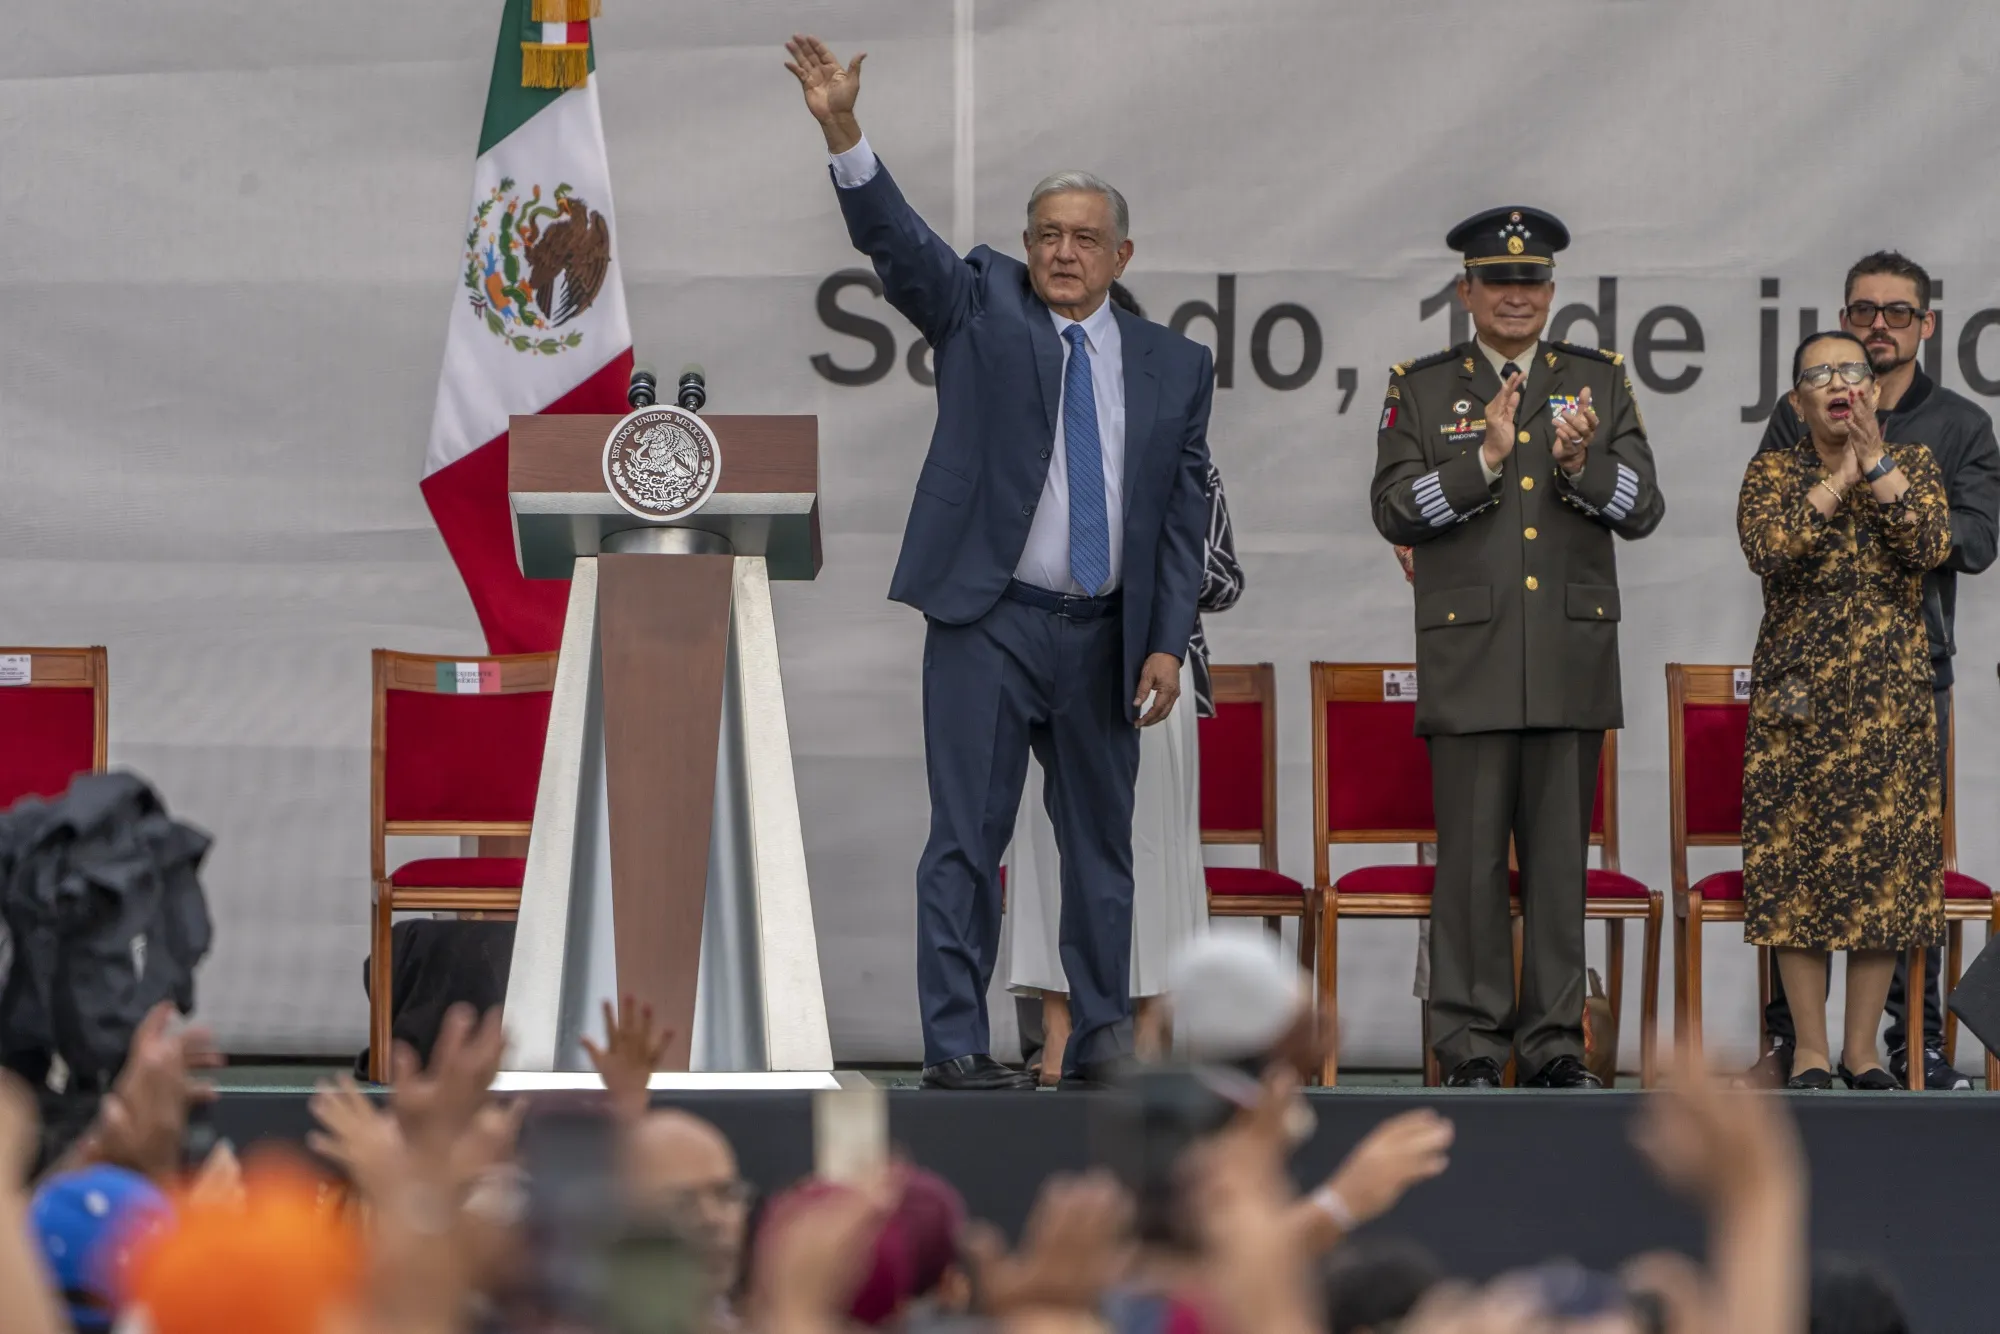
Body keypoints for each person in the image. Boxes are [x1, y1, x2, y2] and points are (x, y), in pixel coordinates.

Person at [786, 36, 1214, 1089]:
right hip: (988, 620)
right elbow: (898, 245)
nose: (1063, 253)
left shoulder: (1174, 364)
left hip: (1107, 632)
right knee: (965, 843)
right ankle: (953, 1047)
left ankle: (1103, 1038)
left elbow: (1177, 510)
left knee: (1100, 851)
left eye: (1084, 238)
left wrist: (1166, 639)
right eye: (1046, 236)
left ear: (1122, 253)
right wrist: (843, 129)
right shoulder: (980, 303)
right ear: (1025, 246)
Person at [1369, 207, 1664, 1089]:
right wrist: (1484, 461)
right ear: (1465, 292)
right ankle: (1467, 1047)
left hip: (1570, 659)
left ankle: (1554, 1046)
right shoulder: (1422, 389)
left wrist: (1582, 467)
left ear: (1551, 292)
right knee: (1466, 873)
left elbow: (1643, 509)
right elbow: (1392, 509)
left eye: (1530, 282)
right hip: (1471, 661)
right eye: (1497, 282)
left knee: (1558, 870)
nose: (1515, 296)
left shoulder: (1598, 383)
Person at [1749, 252, 2000, 1092]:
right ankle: (1803, 1049)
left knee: (1888, 873)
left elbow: (1946, 545)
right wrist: (1841, 472)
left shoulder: (1945, 438)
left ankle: (1887, 1050)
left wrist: (1877, 462)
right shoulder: (1782, 450)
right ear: (1800, 394)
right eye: (1864, 313)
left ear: (1925, 327)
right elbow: (1771, 549)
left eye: (1897, 314)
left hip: (1899, 687)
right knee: (1799, 872)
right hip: (1798, 697)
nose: (1878, 328)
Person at [1006, 281, 1242, 1082]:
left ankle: (1148, 1043)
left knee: (1153, 858)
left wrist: (1149, 578)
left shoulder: (1182, 448)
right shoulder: (1035, 441)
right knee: (1049, 853)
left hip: (1154, 678)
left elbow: (1224, 575)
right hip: (1051, 663)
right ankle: (1061, 1029)